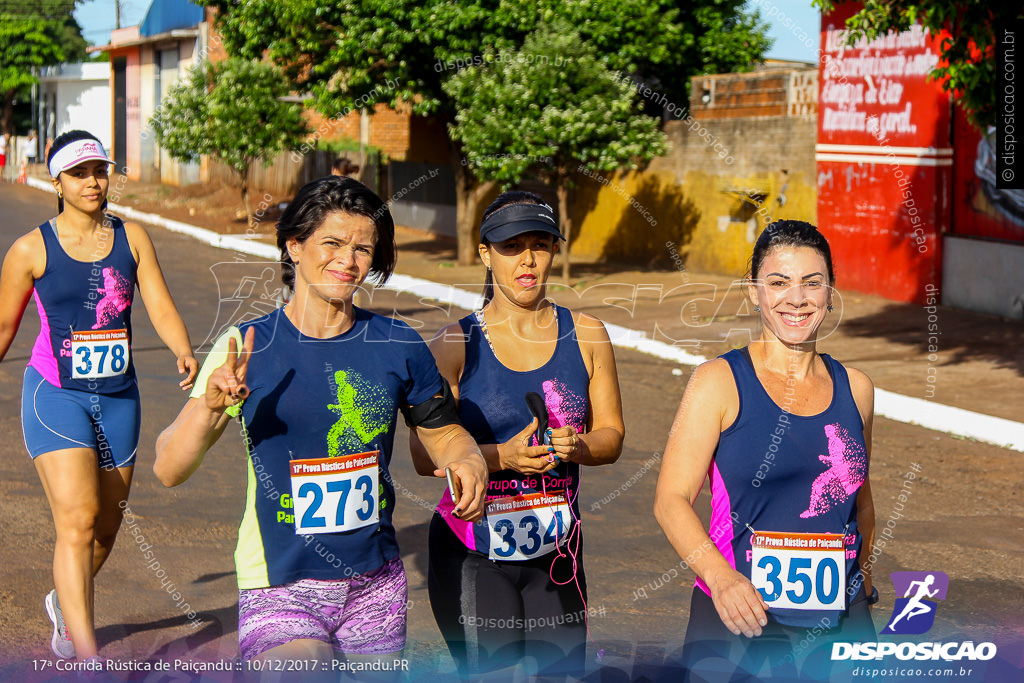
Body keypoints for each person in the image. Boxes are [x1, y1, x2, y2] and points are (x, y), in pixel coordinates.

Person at [153, 175, 488, 675]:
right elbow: (168, 467)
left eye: (363, 249)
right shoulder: (245, 348)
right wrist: (208, 406)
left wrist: (466, 456)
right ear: (294, 244)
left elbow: (440, 430)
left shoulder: (396, 344)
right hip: (279, 582)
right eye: (332, 242)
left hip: (375, 585)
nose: (347, 261)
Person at [0, 130, 198, 662]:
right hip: (56, 394)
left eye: (99, 171)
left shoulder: (132, 238)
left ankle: (64, 600)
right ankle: (88, 660)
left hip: (118, 397)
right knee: (79, 518)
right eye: (79, 173)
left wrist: (182, 347)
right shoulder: (30, 249)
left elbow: (157, 301)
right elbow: (2, 327)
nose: (93, 181)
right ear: (57, 182)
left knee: (106, 528)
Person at [411, 191, 624, 678]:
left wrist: (580, 446)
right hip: (474, 551)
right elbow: (423, 454)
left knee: (563, 674)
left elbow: (612, 436)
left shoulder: (588, 335)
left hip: (557, 551)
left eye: (540, 244)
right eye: (510, 246)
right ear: (485, 253)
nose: (527, 260)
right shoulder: (454, 344)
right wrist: (501, 457)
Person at [654, 220, 877, 681]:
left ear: (830, 291)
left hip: (840, 622)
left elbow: (862, 498)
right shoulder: (718, 382)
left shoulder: (856, 389)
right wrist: (722, 578)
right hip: (739, 618)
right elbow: (671, 500)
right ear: (754, 291)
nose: (796, 298)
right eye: (778, 282)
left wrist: (864, 579)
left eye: (812, 283)